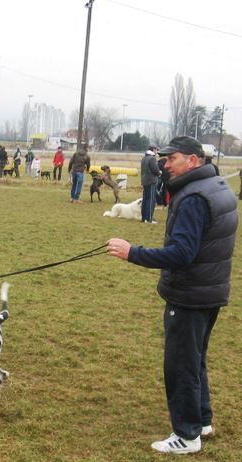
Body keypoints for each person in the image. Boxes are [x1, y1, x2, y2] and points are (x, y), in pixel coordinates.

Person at [107, 135, 238, 455]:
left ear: (193, 160)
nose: (165, 164)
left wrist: (132, 252)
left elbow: (182, 253)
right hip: (210, 289)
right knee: (194, 360)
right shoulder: (217, 186)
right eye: (163, 159)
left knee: (181, 364)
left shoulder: (193, 197)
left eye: (172, 159)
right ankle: (202, 420)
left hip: (190, 294)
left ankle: (187, 434)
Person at [141, 144, 161, 223]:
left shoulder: (144, 158)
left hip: (145, 181)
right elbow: (155, 170)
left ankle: (144, 218)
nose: (157, 151)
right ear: (153, 150)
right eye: (156, 150)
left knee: (145, 199)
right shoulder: (152, 159)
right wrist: (160, 172)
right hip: (151, 181)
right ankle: (149, 218)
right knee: (151, 200)